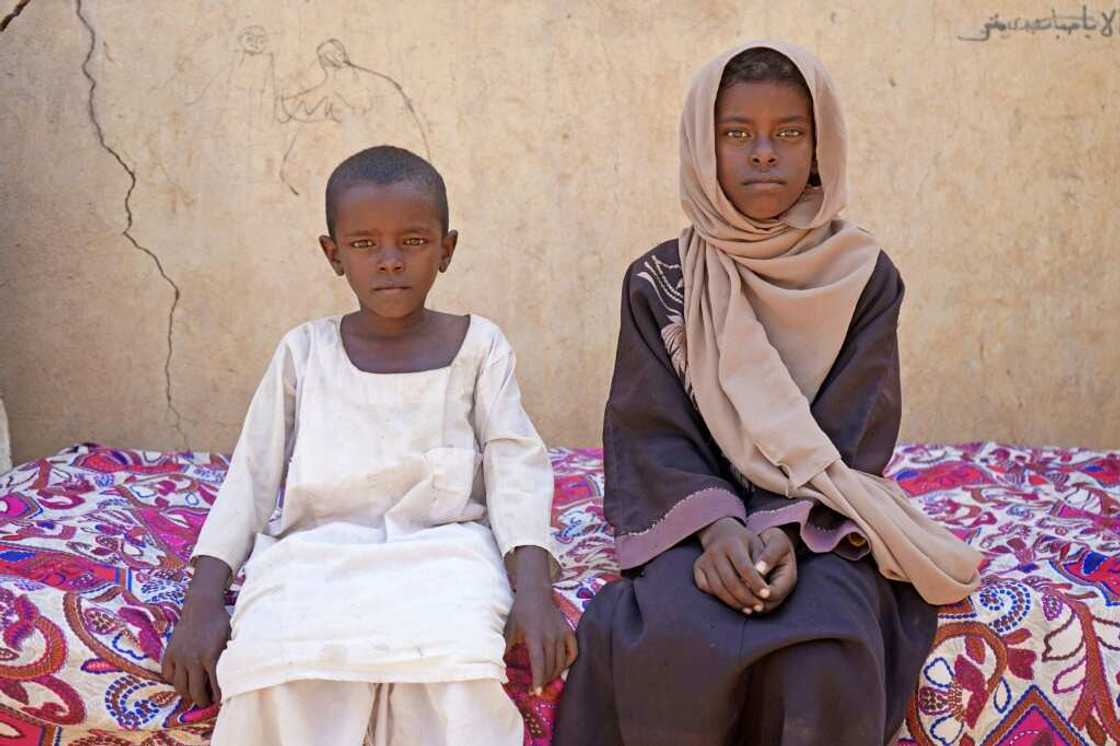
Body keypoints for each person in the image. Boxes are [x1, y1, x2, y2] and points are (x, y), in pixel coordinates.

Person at [553, 41, 980, 746]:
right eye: (735, 133)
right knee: (671, 634)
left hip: (818, 514)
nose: (762, 153)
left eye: (789, 133)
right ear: (702, 146)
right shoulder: (660, 282)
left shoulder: (864, 277)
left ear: (820, 148)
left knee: (830, 642)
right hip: (694, 522)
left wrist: (780, 528)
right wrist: (718, 525)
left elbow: (855, 429)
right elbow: (648, 432)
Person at [162, 145, 576, 746]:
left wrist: (534, 590)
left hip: (446, 555)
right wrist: (203, 601)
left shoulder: (480, 348)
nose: (388, 262)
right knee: (273, 662)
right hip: (313, 556)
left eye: (412, 242)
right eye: (363, 245)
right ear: (333, 255)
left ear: (447, 249)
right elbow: (251, 476)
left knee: (458, 663)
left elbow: (515, 467)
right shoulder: (305, 352)